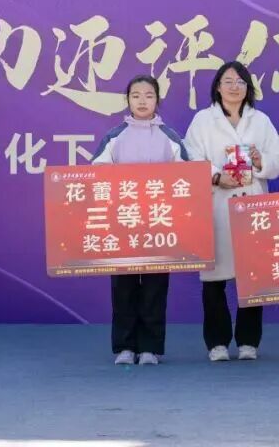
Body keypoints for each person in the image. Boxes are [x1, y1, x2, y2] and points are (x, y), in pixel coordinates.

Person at [184, 61, 279, 362]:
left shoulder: (260, 120)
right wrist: (216, 176)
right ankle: (216, 342)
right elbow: (190, 158)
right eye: (227, 81)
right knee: (214, 279)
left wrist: (260, 161)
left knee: (251, 276)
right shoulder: (203, 120)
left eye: (240, 82)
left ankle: (248, 341)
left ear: (248, 88)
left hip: (252, 206)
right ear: (218, 87)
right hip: (217, 203)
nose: (234, 87)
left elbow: (278, 159)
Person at [92, 75, 190, 366]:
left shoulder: (170, 137)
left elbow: (187, 177)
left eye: (149, 95)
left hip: (159, 224)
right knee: (123, 287)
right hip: (123, 223)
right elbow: (96, 174)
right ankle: (125, 346)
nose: (142, 101)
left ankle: (150, 347)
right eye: (136, 96)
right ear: (128, 100)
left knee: (155, 287)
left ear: (157, 100)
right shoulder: (114, 137)